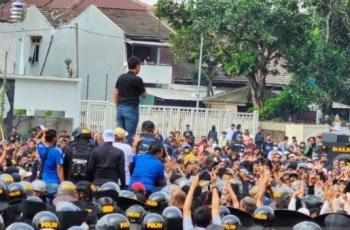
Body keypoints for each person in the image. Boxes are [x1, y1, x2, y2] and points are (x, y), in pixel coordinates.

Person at [114, 56, 148, 144]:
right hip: (131, 109)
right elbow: (144, 95)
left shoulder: (121, 77)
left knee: (119, 136)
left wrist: (118, 106)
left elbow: (115, 93)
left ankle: (118, 155)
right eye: (139, 66)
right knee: (129, 137)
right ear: (137, 66)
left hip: (120, 109)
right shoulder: (137, 79)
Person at [37, 129, 64, 197]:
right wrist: (63, 183)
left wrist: (42, 132)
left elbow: (37, 139)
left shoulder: (40, 148)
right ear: (54, 139)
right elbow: (59, 168)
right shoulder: (57, 151)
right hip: (55, 183)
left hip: (43, 183)